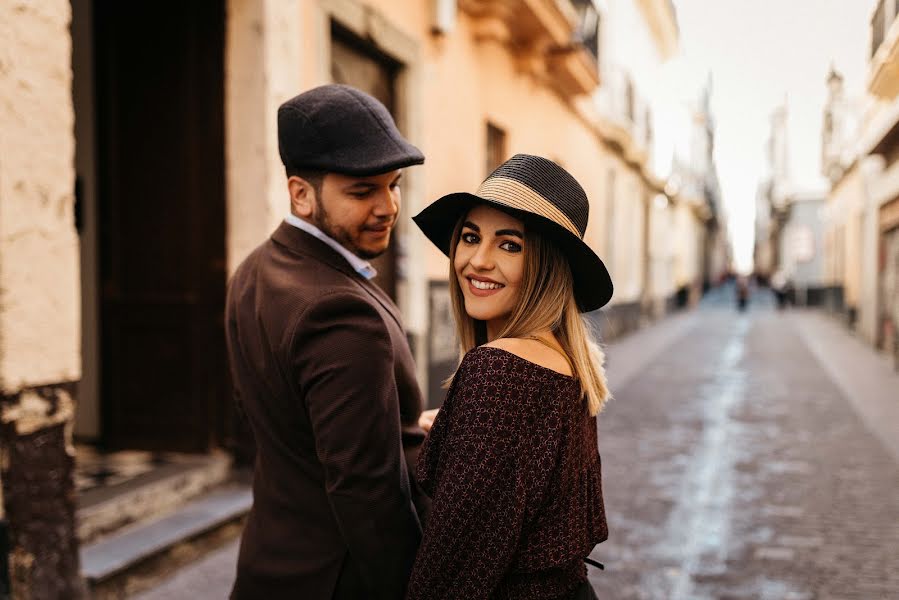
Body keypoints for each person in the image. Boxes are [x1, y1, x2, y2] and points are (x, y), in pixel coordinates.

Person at [225, 84, 429, 599]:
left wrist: (403, 427)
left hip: (271, 563)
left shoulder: (253, 271)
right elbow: (366, 489)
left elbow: (296, 421)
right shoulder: (340, 312)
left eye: (394, 184)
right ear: (301, 193)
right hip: (338, 579)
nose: (388, 207)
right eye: (363, 191)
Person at [407, 154, 613, 599]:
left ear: (546, 266)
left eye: (509, 245)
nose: (477, 261)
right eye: (469, 237)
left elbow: (451, 571)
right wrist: (457, 429)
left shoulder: (499, 373)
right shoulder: (562, 362)